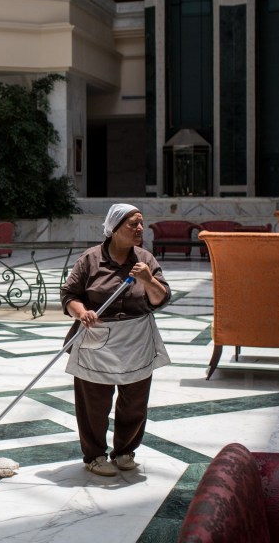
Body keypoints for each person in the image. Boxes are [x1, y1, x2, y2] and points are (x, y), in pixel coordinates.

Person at [60, 203, 171, 476]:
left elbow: (161, 299)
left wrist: (148, 280)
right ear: (114, 229)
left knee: (134, 400)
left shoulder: (144, 259)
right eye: (133, 224)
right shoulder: (90, 259)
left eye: (141, 223)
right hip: (96, 336)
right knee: (94, 402)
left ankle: (124, 451)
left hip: (136, 338)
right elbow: (69, 296)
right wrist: (82, 312)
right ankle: (95, 455)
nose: (140, 229)